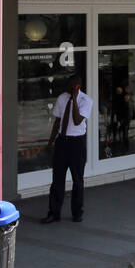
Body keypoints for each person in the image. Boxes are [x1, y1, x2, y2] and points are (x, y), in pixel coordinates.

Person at [42, 75, 92, 223]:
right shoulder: (62, 98)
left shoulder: (86, 100)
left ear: (77, 86)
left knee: (77, 179)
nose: (67, 88)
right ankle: (54, 212)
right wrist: (51, 142)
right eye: (67, 85)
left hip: (77, 143)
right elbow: (57, 121)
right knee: (57, 179)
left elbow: (77, 121)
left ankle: (77, 212)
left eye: (71, 85)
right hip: (62, 141)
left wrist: (75, 100)